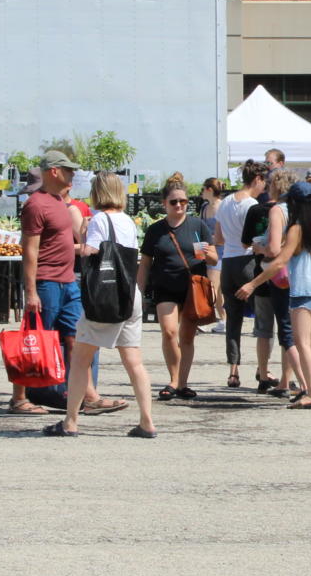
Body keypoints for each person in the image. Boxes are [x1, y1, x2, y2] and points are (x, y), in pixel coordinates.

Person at [13, 151, 125, 415]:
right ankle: (18, 398)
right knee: (34, 339)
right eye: (68, 170)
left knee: (79, 339)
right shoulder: (36, 204)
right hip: (46, 283)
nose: (73, 174)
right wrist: (31, 292)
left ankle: (88, 396)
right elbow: (29, 250)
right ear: (54, 171)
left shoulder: (58, 203)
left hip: (67, 282)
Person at [46, 174, 157, 440]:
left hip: (104, 296)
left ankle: (70, 421)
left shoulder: (98, 220)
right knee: (134, 362)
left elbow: (92, 251)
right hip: (129, 294)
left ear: (98, 192)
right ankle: (147, 421)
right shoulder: (128, 221)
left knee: (81, 358)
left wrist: (79, 240)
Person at [237, 179, 311, 408]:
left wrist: (252, 284)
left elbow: (279, 262)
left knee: (301, 343)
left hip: (304, 290)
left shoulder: (297, 228)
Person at [139, 183, 216, 402]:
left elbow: (214, 260)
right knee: (169, 332)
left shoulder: (197, 225)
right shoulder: (156, 230)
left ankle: (183, 383)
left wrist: (208, 254)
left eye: (183, 201)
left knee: (187, 337)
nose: (179, 205)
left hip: (193, 287)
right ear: (164, 204)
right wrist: (139, 291)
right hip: (165, 286)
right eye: (174, 202)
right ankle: (173, 380)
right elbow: (145, 264)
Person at [214, 162, 268, 391]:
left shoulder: (225, 202)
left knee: (233, 320)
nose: (265, 185)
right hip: (248, 261)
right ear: (257, 179)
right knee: (263, 316)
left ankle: (233, 371)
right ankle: (262, 368)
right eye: (264, 180)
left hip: (228, 262)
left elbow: (218, 237)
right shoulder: (252, 205)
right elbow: (257, 239)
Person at [245, 169, 298, 396]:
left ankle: (265, 375)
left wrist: (260, 248)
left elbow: (274, 249)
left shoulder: (274, 210)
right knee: (289, 328)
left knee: (266, 329)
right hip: (295, 275)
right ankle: (287, 379)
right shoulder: (299, 211)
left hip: (272, 274)